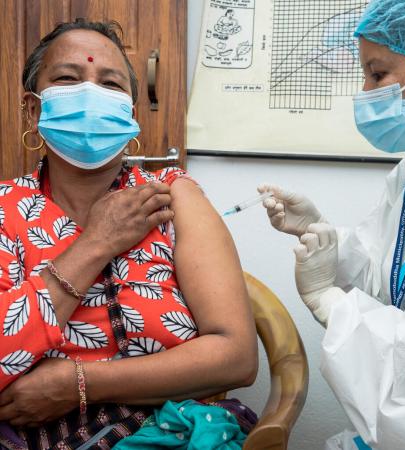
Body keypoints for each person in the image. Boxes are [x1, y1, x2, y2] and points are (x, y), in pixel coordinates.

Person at [0, 20, 257, 449]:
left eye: (111, 84)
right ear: (33, 108)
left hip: (164, 431)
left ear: (130, 116)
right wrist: (98, 241)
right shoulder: (5, 210)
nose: (91, 93)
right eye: (68, 78)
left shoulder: (172, 198)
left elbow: (236, 357)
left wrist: (78, 383)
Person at [260, 0, 405, 449]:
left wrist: (330, 302)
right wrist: (324, 232)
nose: (365, 91)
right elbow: (390, 272)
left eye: (378, 74)